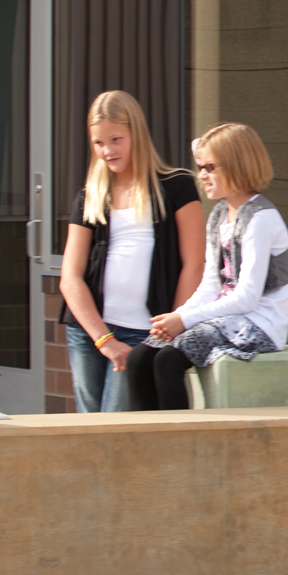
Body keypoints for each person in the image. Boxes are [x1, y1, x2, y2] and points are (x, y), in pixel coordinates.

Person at [127, 123, 288, 411]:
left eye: (209, 167)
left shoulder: (261, 219)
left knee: (168, 361)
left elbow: (247, 298)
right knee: (138, 359)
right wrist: (179, 316)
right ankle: (149, 442)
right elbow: (210, 285)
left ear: (236, 165)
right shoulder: (219, 215)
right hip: (227, 316)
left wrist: (186, 321)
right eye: (200, 166)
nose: (201, 175)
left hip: (259, 324)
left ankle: (181, 443)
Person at [60, 90, 205, 413]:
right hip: (90, 334)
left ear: (135, 132)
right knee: (88, 430)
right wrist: (104, 340)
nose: (107, 151)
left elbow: (194, 264)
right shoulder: (89, 196)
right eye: (98, 143)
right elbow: (70, 278)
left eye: (116, 139)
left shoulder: (176, 186)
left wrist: (171, 326)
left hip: (145, 334)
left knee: (115, 427)